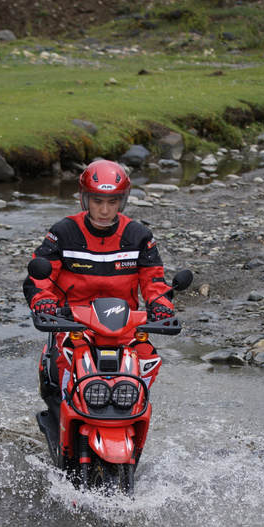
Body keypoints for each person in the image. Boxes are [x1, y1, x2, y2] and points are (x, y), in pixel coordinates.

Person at [23, 158, 174, 400]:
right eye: (98, 201)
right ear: (85, 199)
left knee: (147, 357)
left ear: (121, 202)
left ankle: (134, 406)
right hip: (74, 322)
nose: (105, 210)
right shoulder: (63, 232)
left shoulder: (139, 236)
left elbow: (154, 281)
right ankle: (66, 406)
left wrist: (162, 306)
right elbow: (41, 276)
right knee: (70, 357)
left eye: (112, 202)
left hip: (124, 324)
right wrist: (43, 301)